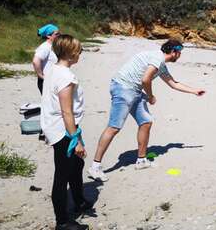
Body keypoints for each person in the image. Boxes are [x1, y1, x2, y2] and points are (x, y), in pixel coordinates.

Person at [88, 39, 205, 181]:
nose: (180, 56)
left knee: (146, 122)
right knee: (114, 127)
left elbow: (173, 83)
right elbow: (146, 79)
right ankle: (95, 166)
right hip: (123, 88)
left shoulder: (160, 64)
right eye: (180, 53)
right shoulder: (157, 59)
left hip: (135, 91)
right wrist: (150, 96)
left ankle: (141, 160)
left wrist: (194, 91)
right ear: (174, 52)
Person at [40, 34, 91, 230]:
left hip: (62, 126)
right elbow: (66, 110)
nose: (80, 54)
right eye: (78, 50)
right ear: (70, 53)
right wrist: (75, 139)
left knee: (77, 164)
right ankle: (62, 222)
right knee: (62, 174)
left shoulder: (54, 69)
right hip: (63, 131)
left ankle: (78, 200)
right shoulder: (65, 77)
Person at [33, 23, 61, 94]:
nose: (59, 36)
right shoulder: (45, 47)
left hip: (53, 80)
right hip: (46, 81)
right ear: (48, 36)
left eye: (60, 33)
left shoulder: (53, 46)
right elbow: (35, 61)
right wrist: (41, 75)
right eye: (57, 34)